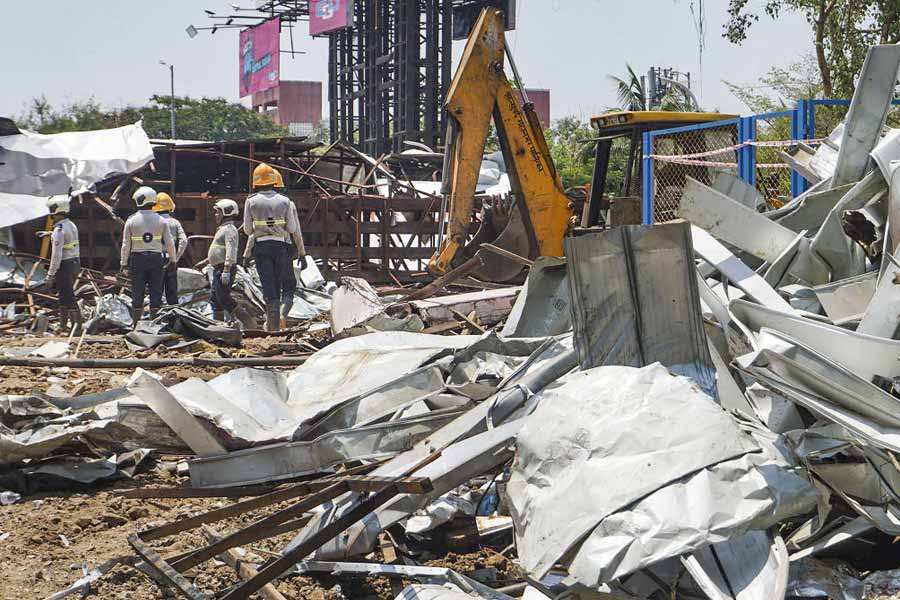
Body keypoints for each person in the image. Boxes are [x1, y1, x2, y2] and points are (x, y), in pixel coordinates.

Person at [243, 163, 306, 331]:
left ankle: (272, 328)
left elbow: (248, 230)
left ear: (256, 182)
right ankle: (280, 319)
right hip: (281, 246)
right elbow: (293, 230)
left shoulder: (251, 201)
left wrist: (246, 254)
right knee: (287, 285)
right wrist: (302, 253)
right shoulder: (286, 202)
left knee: (269, 287)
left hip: (261, 247)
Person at [120, 186, 177, 327]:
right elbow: (169, 243)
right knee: (155, 292)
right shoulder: (161, 220)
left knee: (137, 291)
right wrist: (173, 260)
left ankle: (136, 325)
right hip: (156, 259)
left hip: (137, 259)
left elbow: (125, 244)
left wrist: (123, 263)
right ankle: (154, 325)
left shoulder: (131, 220)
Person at [208, 199, 254, 329]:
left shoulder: (229, 229)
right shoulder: (223, 229)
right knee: (215, 298)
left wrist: (227, 269)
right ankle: (219, 326)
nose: (215, 215)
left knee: (223, 298)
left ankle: (249, 322)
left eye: (217, 212)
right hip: (219, 268)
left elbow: (231, 250)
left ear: (226, 212)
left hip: (224, 268)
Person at [42, 196, 82, 333]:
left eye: (53, 211)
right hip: (74, 262)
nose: (51, 214)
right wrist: (50, 234)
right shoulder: (70, 224)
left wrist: (50, 274)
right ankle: (63, 325)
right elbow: (68, 240)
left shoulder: (59, 229)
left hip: (64, 265)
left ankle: (77, 327)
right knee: (63, 296)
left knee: (68, 296)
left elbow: (56, 255)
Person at [152, 192, 188, 306]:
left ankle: (156, 319)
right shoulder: (175, 222)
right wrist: (175, 258)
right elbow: (184, 241)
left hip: (156, 260)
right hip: (170, 259)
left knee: (156, 292)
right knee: (172, 294)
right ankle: (174, 319)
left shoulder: (153, 222)